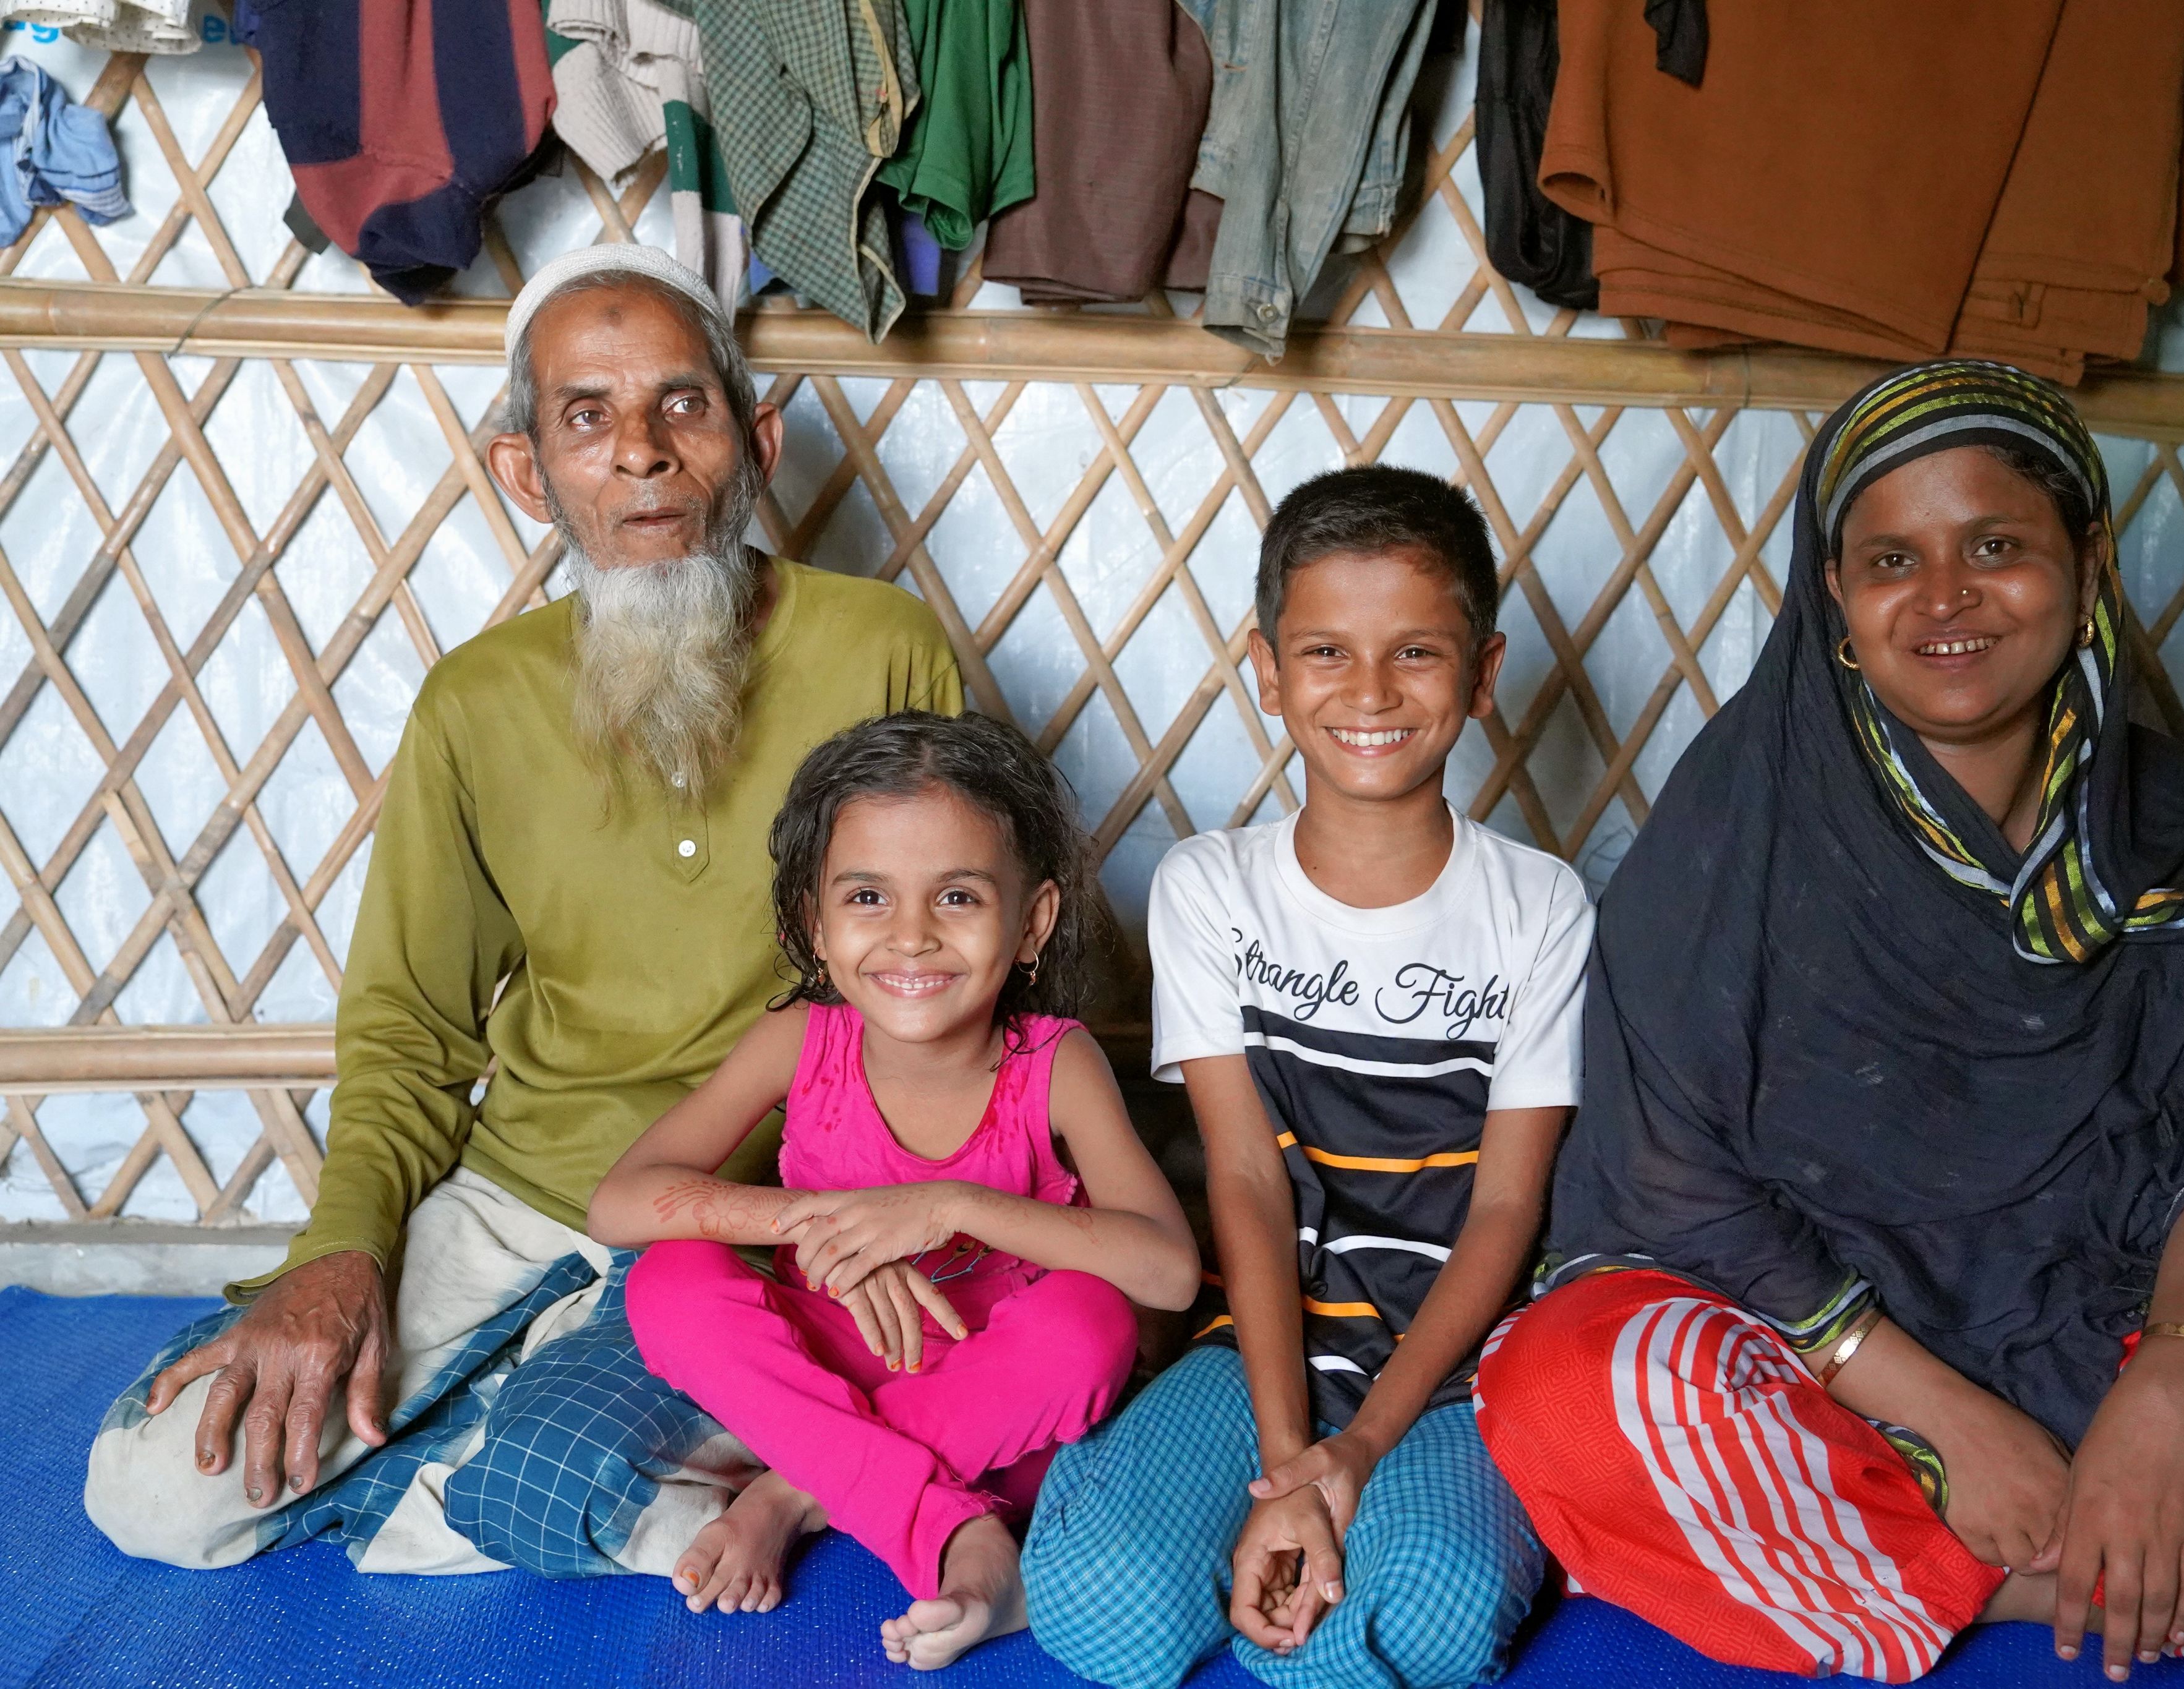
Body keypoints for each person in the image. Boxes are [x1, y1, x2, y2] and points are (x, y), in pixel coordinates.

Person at [1475, 361, 2184, 1689]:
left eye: (1993, 545)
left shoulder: (2161, 821)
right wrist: (1946, 1420)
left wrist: (2173, 1394)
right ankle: (2077, 1588)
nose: (1942, 597)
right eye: (1887, 559)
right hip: (1827, 1364)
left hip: (2116, 1309)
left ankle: (2031, 1558)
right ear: (1835, 600)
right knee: (1568, 1398)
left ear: (2085, 560)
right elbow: (1675, 1185)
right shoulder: (1739, 816)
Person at [84, 245, 966, 1579]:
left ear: (757, 438)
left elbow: (961, 989)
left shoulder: (880, 648)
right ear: (525, 471)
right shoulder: (475, 703)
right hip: (517, 1193)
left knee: (573, 1468)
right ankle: (576, 1474)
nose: (643, 455)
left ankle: (566, 1459)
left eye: (684, 404)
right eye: (586, 417)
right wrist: (338, 1259)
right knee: (157, 1495)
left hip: (761, 1221)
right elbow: (411, 1029)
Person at [1022, 466, 1590, 1689]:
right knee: (1097, 1607)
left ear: (1482, 676)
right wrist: (1290, 1458)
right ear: (1268, 672)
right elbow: (1243, 1172)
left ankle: (1321, 1545)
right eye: (1325, 651)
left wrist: (1364, 1447)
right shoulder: (1210, 887)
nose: (1370, 692)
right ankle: (1223, 1527)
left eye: (1417, 653)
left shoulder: (1539, 907)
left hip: (1456, 1369)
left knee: (1415, 1625)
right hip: (1259, 1345)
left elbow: (1504, 1207)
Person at [591, 710, 1200, 1665]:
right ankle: (960, 1537)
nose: (911, 939)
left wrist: (949, 1206)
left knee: (1094, 1324)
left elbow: (1166, 1273)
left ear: (1031, 922)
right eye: (869, 896)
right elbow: (621, 1201)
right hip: (829, 1367)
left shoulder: (1054, 1065)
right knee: (668, 1281)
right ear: (813, 924)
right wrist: (822, 1226)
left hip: (992, 1398)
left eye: (956, 897)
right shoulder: (801, 1043)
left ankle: (794, 1493)